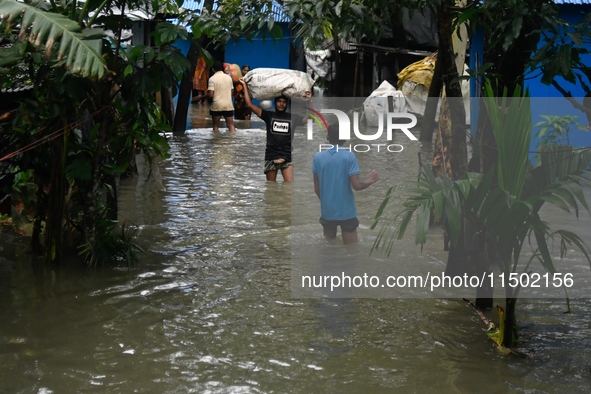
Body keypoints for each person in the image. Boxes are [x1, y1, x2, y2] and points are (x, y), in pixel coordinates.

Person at [312, 124, 379, 244]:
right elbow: (357, 186)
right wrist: (370, 180)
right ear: (345, 138)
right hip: (346, 212)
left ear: (327, 137)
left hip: (327, 212)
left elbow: (317, 189)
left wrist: (327, 202)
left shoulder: (318, 157)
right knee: (351, 251)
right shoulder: (349, 156)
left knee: (328, 250)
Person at [239, 78, 311, 182]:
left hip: (286, 156)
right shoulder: (268, 116)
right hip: (271, 155)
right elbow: (250, 105)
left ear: (287, 104)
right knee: (271, 187)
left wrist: (309, 100)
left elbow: (311, 119)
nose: (281, 104)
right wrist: (245, 86)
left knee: (288, 188)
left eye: (284, 102)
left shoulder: (293, 118)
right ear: (275, 103)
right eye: (279, 102)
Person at [193, 61, 235, 132]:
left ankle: (215, 142)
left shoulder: (212, 79)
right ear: (221, 68)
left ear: (213, 69)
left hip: (217, 105)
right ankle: (232, 141)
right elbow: (232, 90)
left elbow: (210, 94)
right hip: (228, 105)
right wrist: (229, 99)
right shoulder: (228, 78)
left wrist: (200, 97)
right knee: (231, 125)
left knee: (215, 126)